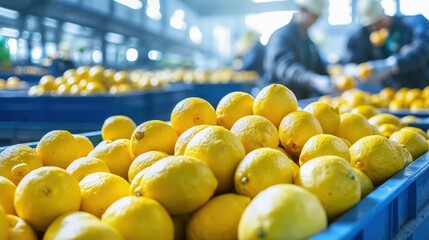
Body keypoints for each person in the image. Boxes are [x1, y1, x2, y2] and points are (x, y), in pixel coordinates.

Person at [342, 0, 429, 89]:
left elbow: (423, 47)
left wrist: (391, 64)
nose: (376, 26)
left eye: (378, 20)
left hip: (424, 87)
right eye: (371, 24)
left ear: (383, 12)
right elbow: (349, 64)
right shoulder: (362, 37)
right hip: (392, 95)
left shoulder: (414, 23)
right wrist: (357, 71)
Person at [262, 0, 337, 99]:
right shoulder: (281, 36)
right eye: (314, 16)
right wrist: (312, 79)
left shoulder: (308, 41)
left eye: (318, 17)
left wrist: (333, 83)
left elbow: (320, 69)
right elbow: (286, 67)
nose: (316, 21)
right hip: (277, 101)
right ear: (301, 9)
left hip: (299, 101)